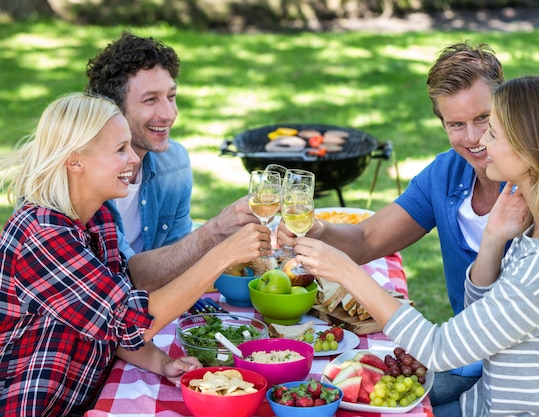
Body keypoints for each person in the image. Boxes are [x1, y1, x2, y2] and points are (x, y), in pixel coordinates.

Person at [293, 75, 539, 416]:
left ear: (531, 150)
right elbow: (479, 310)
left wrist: (348, 273)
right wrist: (494, 239)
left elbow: (438, 349)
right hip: (482, 403)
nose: (481, 141)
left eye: (492, 131)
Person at [0, 92, 272, 417]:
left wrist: (162, 362)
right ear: (75, 161)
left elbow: (114, 322)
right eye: (120, 150)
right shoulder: (42, 236)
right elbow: (135, 322)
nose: (133, 158)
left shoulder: (98, 217)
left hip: (80, 397)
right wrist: (222, 255)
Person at [280, 41, 504, 410]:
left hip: (516, 372)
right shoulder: (446, 174)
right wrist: (315, 230)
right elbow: (367, 238)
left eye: (484, 118)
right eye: (456, 124)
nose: (473, 137)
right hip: (464, 357)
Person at [85, 32, 259, 292]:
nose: (169, 114)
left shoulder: (173, 162)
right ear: (113, 108)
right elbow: (127, 279)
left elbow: (180, 259)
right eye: (150, 100)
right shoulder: (79, 176)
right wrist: (215, 231)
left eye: (171, 96)